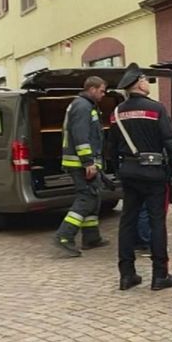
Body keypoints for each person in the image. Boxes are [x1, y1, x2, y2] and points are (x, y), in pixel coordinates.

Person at [108, 63, 172, 291]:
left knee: (127, 222)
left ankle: (126, 275)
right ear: (139, 83)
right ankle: (160, 275)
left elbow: (110, 147)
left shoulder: (117, 113)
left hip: (129, 173)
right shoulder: (156, 109)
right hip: (154, 174)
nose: (147, 83)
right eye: (145, 80)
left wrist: (118, 171)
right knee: (157, 222)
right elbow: (170, 143)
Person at [54, 76, 111, 257]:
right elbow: (81, 136)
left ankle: (91, 237)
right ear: (92, 89)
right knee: (86, 198)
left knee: (93, 198)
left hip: (82, 162)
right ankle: (64, 236)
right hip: (80, 163)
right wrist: (88, 162)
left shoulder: (84, 105)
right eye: (101, 91)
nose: (103, 94)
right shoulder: (82, 106)